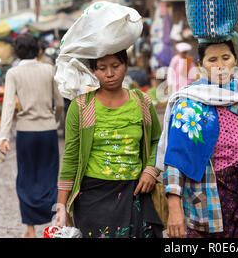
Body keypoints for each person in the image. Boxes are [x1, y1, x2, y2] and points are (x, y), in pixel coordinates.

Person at [156, 40, 238, 238]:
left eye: (225, 58)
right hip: (202, 199)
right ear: (201, 65)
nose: (220, 65)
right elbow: (176, 159)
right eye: (212, 60)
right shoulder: (188, 104)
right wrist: (174, 208)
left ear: (235, 60)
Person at [55, 50, 164, 238]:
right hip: (93, 200)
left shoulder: (142, 102)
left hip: (136, 193)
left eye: (116, 66)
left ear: (126, 65)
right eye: (101, 68)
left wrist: (151, 170)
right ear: (92, 71)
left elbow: (158, 141)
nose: (110, 74)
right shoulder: (81, 107)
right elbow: (71, 158)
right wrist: (61, 207)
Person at [0, 33, 64, 238]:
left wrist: (4, 137)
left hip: (26, 132)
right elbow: (60, 102)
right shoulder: (49, 69)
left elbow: (8, 106)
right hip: (48, 131)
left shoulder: (13, 73)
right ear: (38, 50)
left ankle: (30, 231)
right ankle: (51, 228)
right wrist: (54, 119)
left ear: (17, 51)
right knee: (49, 176)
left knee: (26, 179)